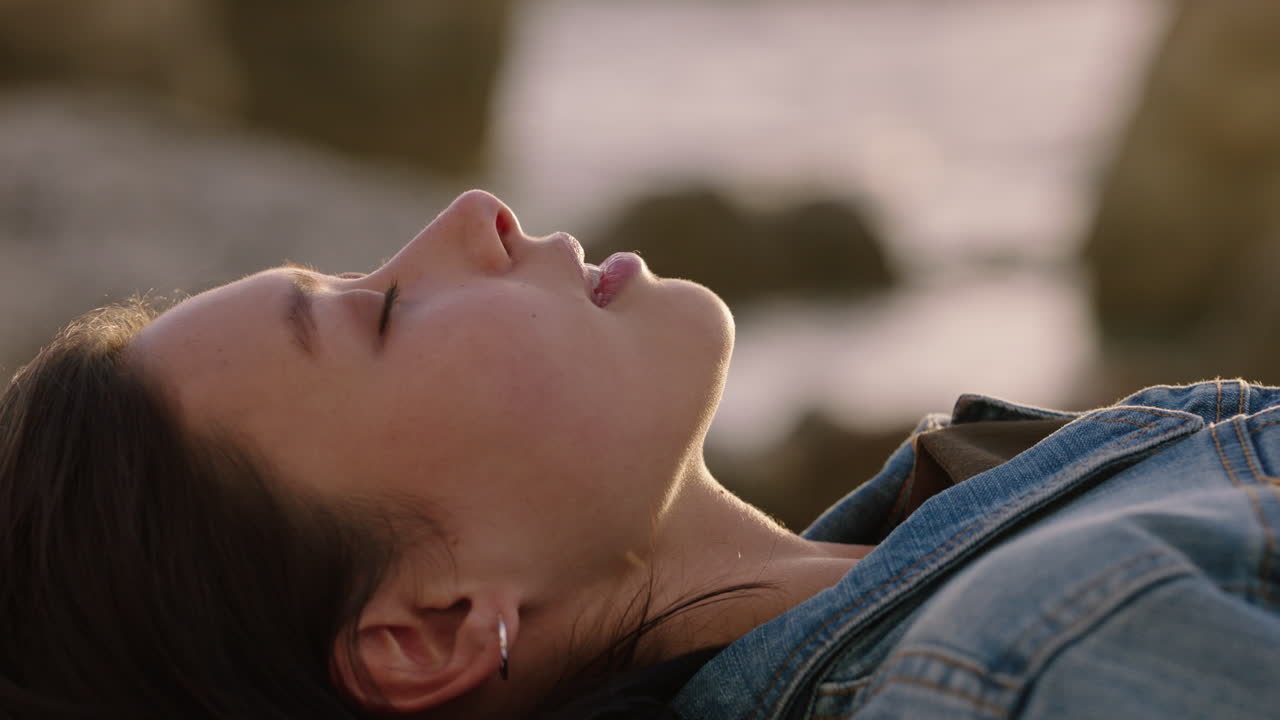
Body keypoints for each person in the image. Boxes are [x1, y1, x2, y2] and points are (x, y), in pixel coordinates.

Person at [0, 189, 1277, 719]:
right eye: (380, 313)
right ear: (431, 631)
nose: (471, 216)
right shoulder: (1029, 666)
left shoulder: (978, 529)